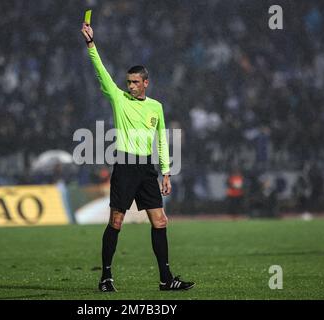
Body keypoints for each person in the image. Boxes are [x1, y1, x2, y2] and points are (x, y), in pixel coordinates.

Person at [81, 22, 194, 292]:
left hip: (146, 168)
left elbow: (161, 140)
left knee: (160, 220)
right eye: (128, 82)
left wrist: (166, 172)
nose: (130, 86)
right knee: (116, 221)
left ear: (145, 83)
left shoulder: (156, 106)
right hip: (125, 165)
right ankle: (106, 277)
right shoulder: (119, 99)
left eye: (135, 82)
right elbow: (102, 73)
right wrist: (91, 45)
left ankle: (166, 280)